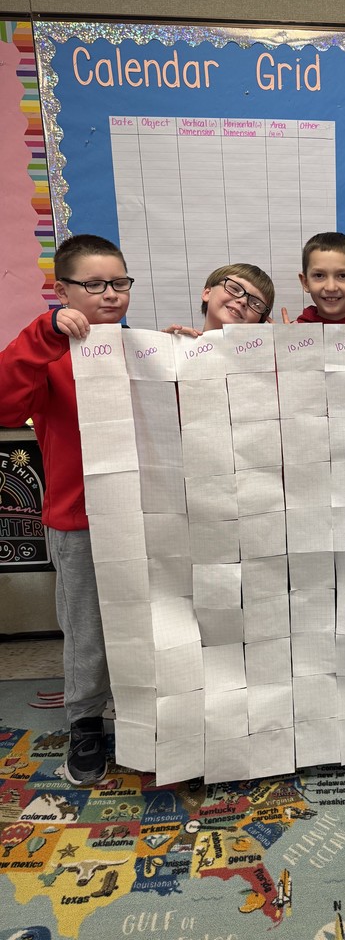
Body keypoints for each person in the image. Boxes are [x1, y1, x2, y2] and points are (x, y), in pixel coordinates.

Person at [0, 234, 134, 785]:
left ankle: (148, 712)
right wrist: (42, 334)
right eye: (95, 285)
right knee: (86, 626)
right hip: (78, 517)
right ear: (64, 291)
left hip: (146, 515)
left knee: (148, 619)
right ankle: (84, 722)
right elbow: (6, 405)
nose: (110, 295)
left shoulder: (145, 348)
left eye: (120, 283)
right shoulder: (48, 352)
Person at [287, 232, 345, 324]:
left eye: (342, 276)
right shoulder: (299, 327)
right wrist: (284, 337)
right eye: (319, 275)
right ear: (305, 282)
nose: (331, 288)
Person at [165, 262, 274, 334]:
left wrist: (287, 349)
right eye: (234, 289)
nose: (243, 301)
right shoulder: (176, 348)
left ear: (260, 321)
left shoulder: (272, 360)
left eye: (256, 304)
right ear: (207, 293)